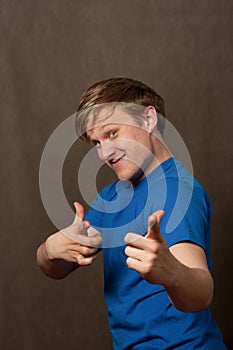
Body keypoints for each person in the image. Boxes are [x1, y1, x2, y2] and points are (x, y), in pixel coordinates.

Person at [36, 78, 227, 349]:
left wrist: (173, 273)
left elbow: (201, 293)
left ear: (149, 119)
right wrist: (50, 250)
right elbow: (57, 268)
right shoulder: (113, 197)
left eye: (112, 133)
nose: (104, 152)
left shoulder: (177, 192)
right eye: (96, 143)